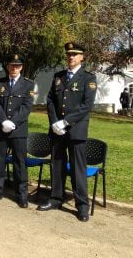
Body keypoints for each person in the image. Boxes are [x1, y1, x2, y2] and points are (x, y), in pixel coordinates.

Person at [38, 42, 97, 222]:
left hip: (76, 130)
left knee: (78, 169)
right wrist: (55, 122)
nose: (71, 57)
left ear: (82, 57)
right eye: (69, 54)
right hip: (57, 130)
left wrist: (65, 122)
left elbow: (86, 105)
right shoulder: (59, 76)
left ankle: (82, 206)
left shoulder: (88, 78)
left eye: (75, 54)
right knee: (57, 165)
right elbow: (50, 100)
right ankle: (56, 199)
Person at [0, 54, 34, 208]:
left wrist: (12, 122)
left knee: (19, 163)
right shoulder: (0, 83)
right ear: (7, 66)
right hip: (1, 129)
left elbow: (26, 107)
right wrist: (3, 120)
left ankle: (21, 195)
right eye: (12, 65)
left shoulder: (28, 85)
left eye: (17, 66)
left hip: (18, 130)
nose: (14, 68)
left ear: (21, 67)